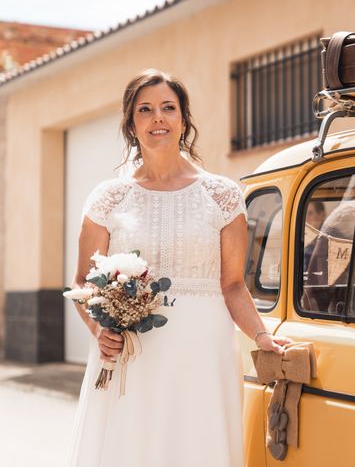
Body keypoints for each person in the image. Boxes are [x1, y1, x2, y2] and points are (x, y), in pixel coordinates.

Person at [67, 68, 290, 467]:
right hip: (134, 352)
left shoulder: (221, 195)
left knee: (197, 447)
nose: (158, 118)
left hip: (203, 349)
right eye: (145, 110)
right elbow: (82, 283)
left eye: (168, 108)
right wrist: (101, 330)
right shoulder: (108, 198)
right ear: (131, 124)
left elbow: (234, 284)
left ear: (183, 120)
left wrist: (261, 336)